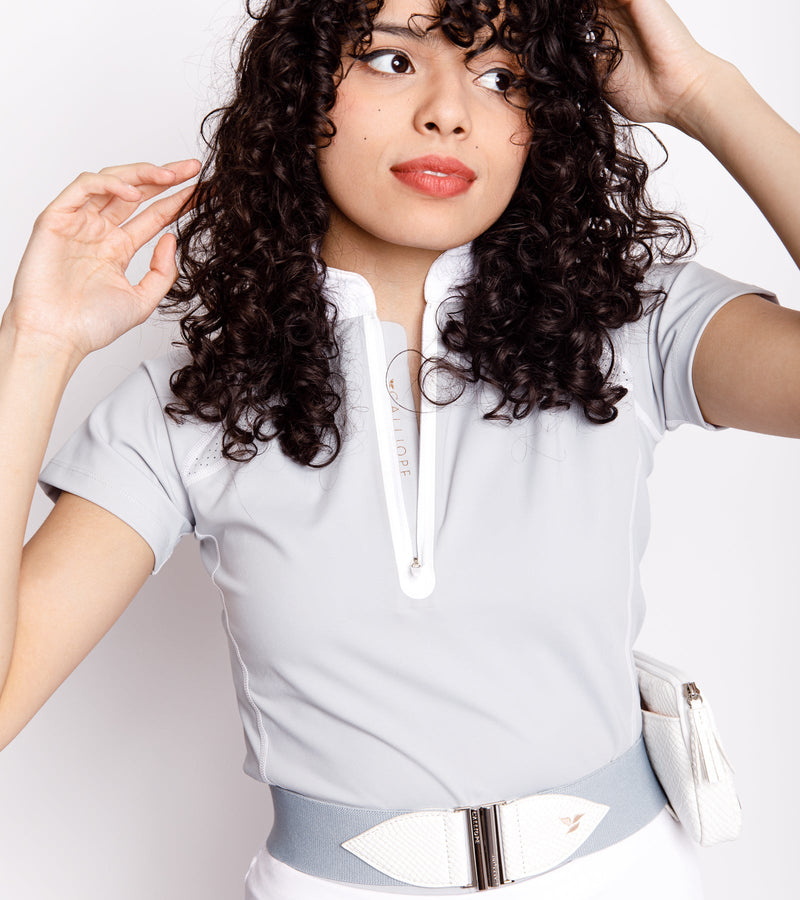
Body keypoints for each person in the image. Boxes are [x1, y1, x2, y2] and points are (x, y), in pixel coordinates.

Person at [1, 0, 798, 897]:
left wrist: (704, 93)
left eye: (502, 77)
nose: (450, 111)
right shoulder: (188, 410)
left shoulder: (630, 328)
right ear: (301, 91)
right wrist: (36, 343)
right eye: (392, 60)